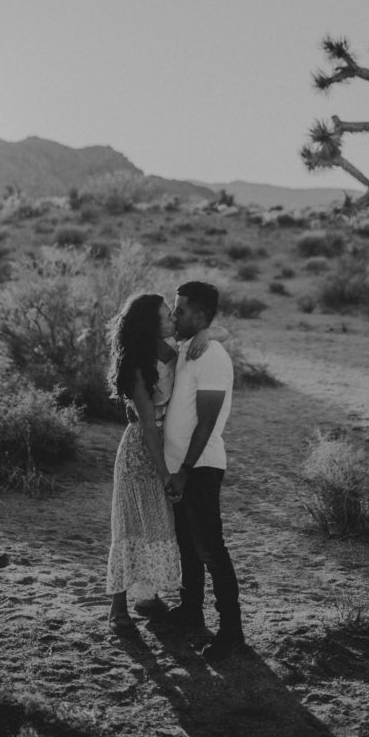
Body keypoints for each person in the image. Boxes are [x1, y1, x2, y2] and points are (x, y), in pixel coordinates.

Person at [105, 292, 212, 636]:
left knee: (158, 526)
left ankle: (146, 599)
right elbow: (148, 426)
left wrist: (207, 334)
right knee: (131, 526)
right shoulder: (139, 365)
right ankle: (117, 608)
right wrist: (165, 472)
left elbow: (222, 332)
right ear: (151, 325)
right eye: (167, 315)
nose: (173, 320)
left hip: (168, 445)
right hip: (141, 452)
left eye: (172, 314)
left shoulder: (170, 348)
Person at [163, 280, 245, 663]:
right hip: (180, 466)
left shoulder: (210, 356)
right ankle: (190, 611)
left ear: (197, 315)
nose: (172, 315)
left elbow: (207, 422)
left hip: (200, 466)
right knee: (188, 546)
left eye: (179, 310)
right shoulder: (187, 346)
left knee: (211, 550)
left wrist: (185, 469)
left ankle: (232, 633)